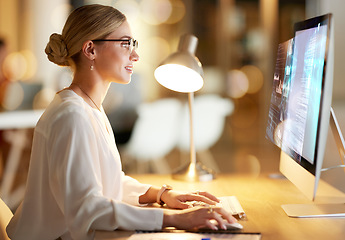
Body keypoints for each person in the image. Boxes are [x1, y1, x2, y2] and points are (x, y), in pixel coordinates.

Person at [6, 4, 236, 240]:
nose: (135, 56)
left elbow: (108, 184)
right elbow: (87, 209)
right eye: (126, 44)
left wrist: (160, 194)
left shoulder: (88, 107)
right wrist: (175, 219)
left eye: (133, 45)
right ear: (90, 49)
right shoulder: (71, 116)